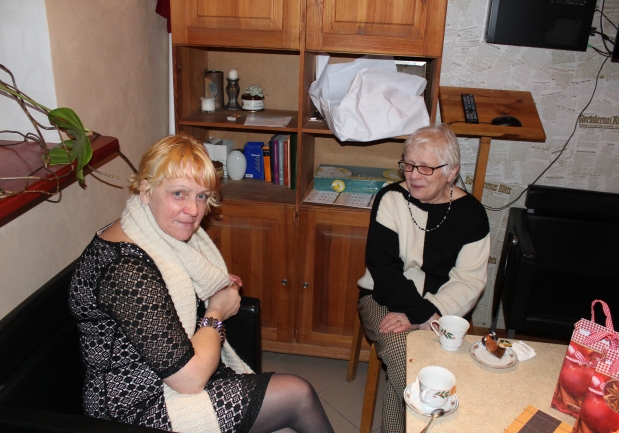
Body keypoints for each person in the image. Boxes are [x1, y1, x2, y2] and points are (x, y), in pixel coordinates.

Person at [69, 134, 334, 433]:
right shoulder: (126, 270)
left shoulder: (146, 231)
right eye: (179, 193)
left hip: (167, 375)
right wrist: (216, 311)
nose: (194, 210)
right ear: (145, 190)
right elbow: (190, 379)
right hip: (136, 408)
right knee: (298, 396)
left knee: (288, 403)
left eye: (201, 196)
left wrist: (211, 285)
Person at [357, 124, 490, 432]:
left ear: (451, 172)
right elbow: (384, 269)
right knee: (406, 364)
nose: (414, 175)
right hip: (383, 298)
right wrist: (420, 315)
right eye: (408, 164)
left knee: (434, 369)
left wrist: (425, 316)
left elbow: (469, 281)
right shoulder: (391, 198)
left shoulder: (472, 215)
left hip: (443, 309)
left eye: (426, 168)